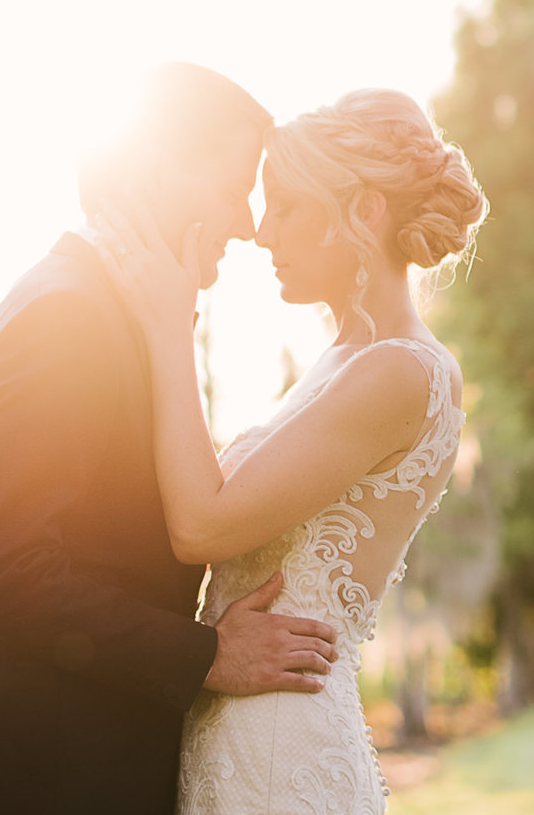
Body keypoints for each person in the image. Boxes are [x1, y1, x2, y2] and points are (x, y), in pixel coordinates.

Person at [0, 62, 340, 815]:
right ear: (155, 170)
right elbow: (6, 571)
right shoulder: (65, 316)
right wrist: (209, 655)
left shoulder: (119, 313)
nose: (247, 223)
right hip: (36, 783)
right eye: (231, 187)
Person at [91, 87, 483, 814]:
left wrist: (169, 327)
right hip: (235, 727)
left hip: (279, 754)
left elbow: (202, 525)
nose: (263, 233)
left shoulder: (400, 371)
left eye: (288, 207)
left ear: (364, 211)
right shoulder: (341, 361)